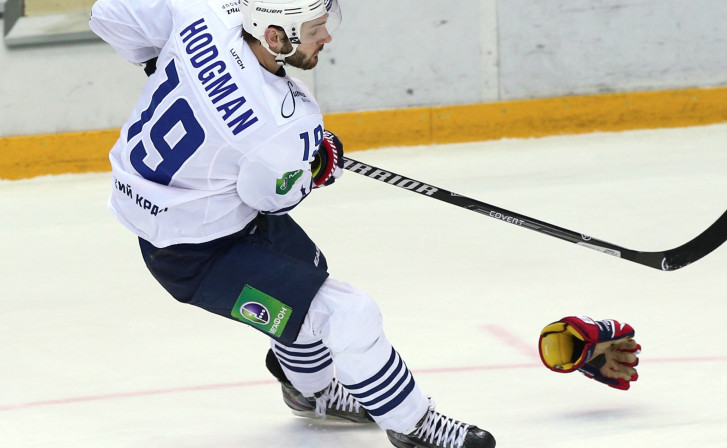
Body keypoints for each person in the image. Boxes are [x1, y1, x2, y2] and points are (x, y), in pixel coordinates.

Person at [89, 1, 640, 446]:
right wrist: (314, 165)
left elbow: (111, 13)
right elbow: (272, 198)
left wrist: (158, 59)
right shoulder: (280, 125)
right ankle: (414, 424)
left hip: (164, 201)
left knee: (307, 274)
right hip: (192, 249)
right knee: (348, 312)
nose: (325, 37)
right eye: (314, 29)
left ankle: (308, 392)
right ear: (275, 36)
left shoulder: (205, 13)